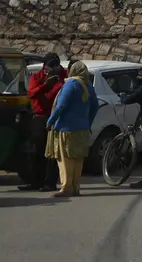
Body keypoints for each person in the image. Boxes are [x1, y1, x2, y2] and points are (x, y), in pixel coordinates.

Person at [45, 60, 100, 198]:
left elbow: (61, 106)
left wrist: (50, 121)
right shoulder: (88, 85)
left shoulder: (70, 84)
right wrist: (88, 122)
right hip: (82, 129)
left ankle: (66, 188)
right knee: (77, 159)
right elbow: (95, 106)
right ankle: (75, 187)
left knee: (65, 159)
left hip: (66, 128)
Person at [21, 53, 65, 191]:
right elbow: (31, 93)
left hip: (55, 117)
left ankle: (50, 182)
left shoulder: (62, 76)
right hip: (39, 117)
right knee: (37, 151)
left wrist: (55, 84)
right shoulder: (37, 76)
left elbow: (58, 94)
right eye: (49, 66)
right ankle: (36, 181)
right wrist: (45, 85)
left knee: (52, 152)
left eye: (55, 65)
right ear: (44, 66)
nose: (52, 69)